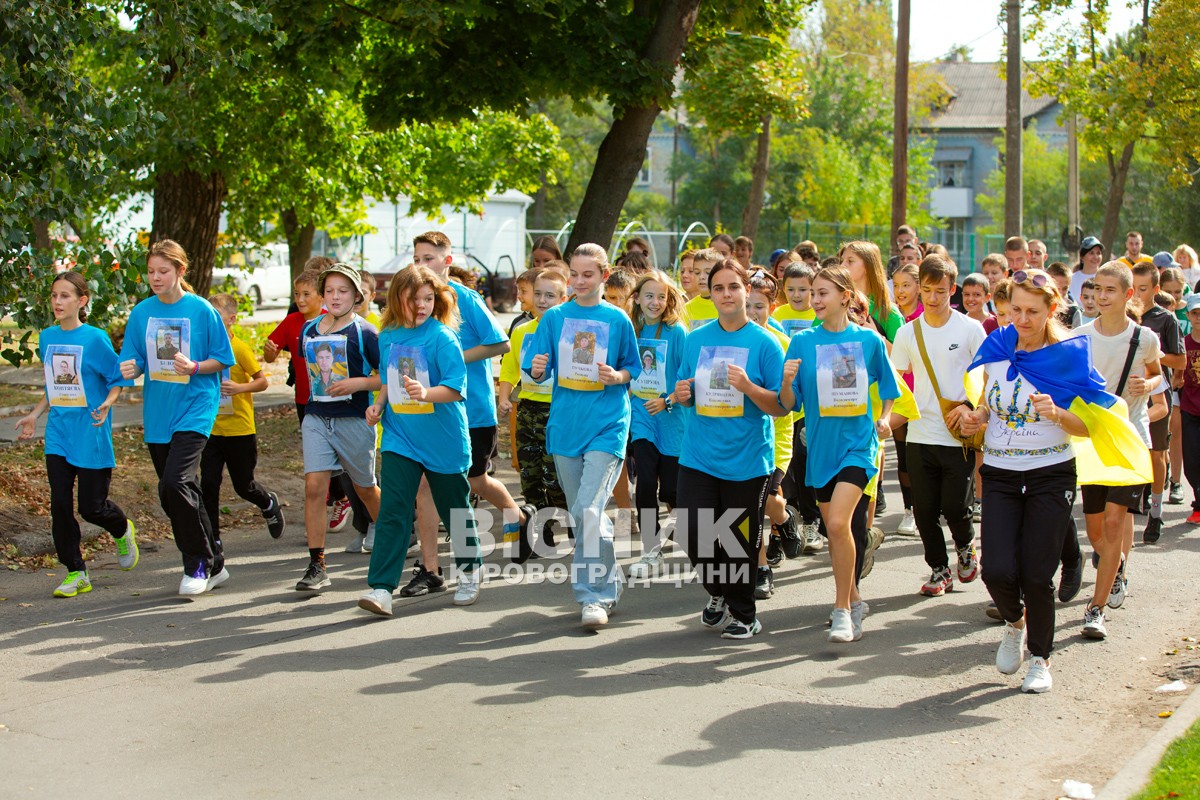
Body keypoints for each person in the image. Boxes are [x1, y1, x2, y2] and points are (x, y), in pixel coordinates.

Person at [957, 269, 1090, 693]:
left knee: (1036, 574)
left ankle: (1040, 659)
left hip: (1051, 471)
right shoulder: (996, 345)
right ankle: (1015, 624)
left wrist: (1058, 413)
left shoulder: (1068, 355)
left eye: (1033, 311)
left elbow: (1088, 426)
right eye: (1015, 309)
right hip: (999, 471)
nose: (1023, 319)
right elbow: (986, 402)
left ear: (1052, 309)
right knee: (995, 570)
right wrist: (976, 416)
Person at [407, 231, 534, 597]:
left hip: (471, 411)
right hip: (426, 408)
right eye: (417, 258)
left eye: (429, 258)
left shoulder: (465, 298)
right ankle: (430, 569)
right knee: (426, 486)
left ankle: (519, 517)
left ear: (447, 262)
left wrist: (450, 358)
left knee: (474, 483)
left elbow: (501, 342)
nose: (421, 265)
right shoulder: (411, 301)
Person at [779, 265, 900, 643]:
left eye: (822, 293)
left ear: (845, 297)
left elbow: (891, 390)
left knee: (836, 525)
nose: (814, 300)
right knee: (837, 533)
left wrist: (883, 418)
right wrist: (785, 379)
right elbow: (788, 404)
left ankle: (842, 610)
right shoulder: (801, 343)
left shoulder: (869, 341)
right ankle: (856, 599)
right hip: (819, 448)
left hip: (858, 446)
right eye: (812, 293)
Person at [524, 243, 642, 628]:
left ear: (604, 277)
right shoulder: (555, 317)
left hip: (607, 425)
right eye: (574, 274)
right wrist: (538, 368)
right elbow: (536, 369)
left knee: (589, 511)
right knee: (584, 514)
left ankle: (594, 597)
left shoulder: (618, 320)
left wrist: (617, 376)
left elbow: (632, 369)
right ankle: (611, 577)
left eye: (587, 274)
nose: (578, 281)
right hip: (566, 426)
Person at [357, 266, 483, 615]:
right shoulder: (388, 336)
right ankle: (381, 588)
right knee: (394, 510)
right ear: (398, 298)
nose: (423, 305)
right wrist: (379, 405)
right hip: (400, 437)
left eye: (429, 298)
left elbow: (457, 389)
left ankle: (470, 571)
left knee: (455, 511)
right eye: (415, 299)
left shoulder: (442, 337)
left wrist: (426, 393)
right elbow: (388, 378)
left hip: (443, 439)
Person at [672, 259, 783, 639]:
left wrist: (750, 388)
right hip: (699, 454)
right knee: (692, 533)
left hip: (747, 459)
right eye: (718, 288)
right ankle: (717, 590)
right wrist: (682, 395)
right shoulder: (696, 339)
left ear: (746, 290)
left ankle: (744, 614)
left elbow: (782, 406)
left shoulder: (764, 342)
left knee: (738, 541)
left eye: (732, 287)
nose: (725, 294)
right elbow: (684, 393)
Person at [118, 239, 235, 596]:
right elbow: (135, 358)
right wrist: (131, 366)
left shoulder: (201, 310)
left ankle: (196, 564)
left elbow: (222, 359)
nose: (155, 277)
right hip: (159, 412)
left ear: (180, 272)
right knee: (178, 491)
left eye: (162, 271)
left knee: (175, 482)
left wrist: (196, 366)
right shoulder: (142, 313)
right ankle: (215, 560)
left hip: (196, 406)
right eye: (151, 271)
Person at [15, 272, 137, 597]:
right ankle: (75, 571)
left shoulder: (95, 339)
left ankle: (122, 528)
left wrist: (108, 404)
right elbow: (53, 383)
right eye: (54, 295)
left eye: (65, 296)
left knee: (91, 508)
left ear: (82, 301)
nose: (57, 301)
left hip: (91, 430)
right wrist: (34, 414)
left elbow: (117, 378)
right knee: (59, 503)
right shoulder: (47, 337)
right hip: (59, 431)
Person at [1072, 261, 1161, 639]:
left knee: (1113, 521)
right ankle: (1118, 563)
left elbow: (1159, 374)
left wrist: (1150, 384)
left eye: (1110, 291)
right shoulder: (1078, 335)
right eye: (1097, 289)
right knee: (1094, 532)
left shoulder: (1144, 338)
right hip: (1092, 440)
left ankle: (1096, 608)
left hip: (1130, 438)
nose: (1101, 297)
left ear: (1128, 295)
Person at [890, 255, 986, 597]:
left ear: (953, 290)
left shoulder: (970, 329)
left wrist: (971, 406)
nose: (932, 298)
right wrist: (886, 419)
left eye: (940, 291)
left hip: (958, 434)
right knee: (925, 510)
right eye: (927, 290)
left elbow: (986, 374)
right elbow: (894, 381)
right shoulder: (907, 333)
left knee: (956, 507)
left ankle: (965, 546)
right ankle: (938, 569)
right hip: (920, 432)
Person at [294, 262, 383, 591]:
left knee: (364, 489)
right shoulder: (310, 329)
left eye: (342, 291)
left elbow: (386, 375)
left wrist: (358, 384)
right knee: (314, 487)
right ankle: (316, 564)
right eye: (329, 290)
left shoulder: (366, 332)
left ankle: (398, 534)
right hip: (316, 417)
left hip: (354, 420)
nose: (335, 296)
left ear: (356, 295)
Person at [199, 294, 286, 549]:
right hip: (211, 429)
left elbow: (263, 381)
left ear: (231, 319)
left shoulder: (239, 349)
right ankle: (213, 538)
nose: (211, 320)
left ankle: (268, 503)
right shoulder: (203, 349)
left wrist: (239, 388)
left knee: (243, 485)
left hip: (240, 430)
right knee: (209, 484)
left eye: (216, 314)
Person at [498, 267, 570, 562]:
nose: (542, 300)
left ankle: (569, 522)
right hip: (527, 409)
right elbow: (510, 368)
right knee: (529, 476)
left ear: (564, 298)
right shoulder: (522, 330)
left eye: (550, 295)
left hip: (558, 411)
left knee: (555, 477)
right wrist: (504, 396)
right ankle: (542, 533)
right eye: (538, 294)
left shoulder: (570, 332)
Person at [625, 270, 689, 578]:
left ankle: (694, 535)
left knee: (674, 491)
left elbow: (688, 375)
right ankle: (651, 551)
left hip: (674, 418)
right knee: (646, 481)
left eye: (661, 296)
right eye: (649, 295)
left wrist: (668, 400)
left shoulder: (677, 332)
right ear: (637, 297)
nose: (655, 302)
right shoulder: (630, 328)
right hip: (641, 417)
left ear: (669, 300)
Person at [745, 271, 800, 598]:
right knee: (753, 504)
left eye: (760, 307)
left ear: (772, 307)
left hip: (776, 436)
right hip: (744, 438)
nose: (753, 312)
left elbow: (791, 398)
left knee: (764, 500)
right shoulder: (733, 340)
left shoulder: (781, 344)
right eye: (748, 305)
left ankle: (783, 516)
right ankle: (760, 567)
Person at [1131, 262, 1185, 543]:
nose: (1137, 294)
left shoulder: (1166, 320)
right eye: (1134, 288)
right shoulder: (1124, 315)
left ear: (1156, 289)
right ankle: (1126, 504)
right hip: (1125, 392)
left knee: (1156, 454)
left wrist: (1151, 352)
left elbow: (1180, 361)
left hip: (1156, 391)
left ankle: (1156, 510)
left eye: (1143, 289)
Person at [1177, 294, 1200, 524]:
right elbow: (1176, 375)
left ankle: (1199, 506)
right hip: (1190, 408)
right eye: (1195, 313)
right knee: (1192, 460)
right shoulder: (1184, 343)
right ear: (1189, 316)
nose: (1199, 317)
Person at [771, 262, 817, 338]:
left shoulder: (821, 316)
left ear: (812, 289)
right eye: (791, 289)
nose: (796, 295)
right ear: (784, 289)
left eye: (802, 290)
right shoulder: (775, 315)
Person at [683, 248, 722, 330]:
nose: (701, 277)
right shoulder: (686, 309)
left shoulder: (727, 305)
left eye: (708, 272)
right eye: (697, 272)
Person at [1046, 262, 1083, 328]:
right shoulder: (1039, 306)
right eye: (1056, 288)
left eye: (1064, 289)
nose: (1060, 293)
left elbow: (1076, 336)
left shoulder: (1073, 311)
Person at [1070, 236, 1105, 303]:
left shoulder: (1106, 278)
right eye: (1091, 253)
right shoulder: (1072, 279)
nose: (1096, 257)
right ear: (1082, 257)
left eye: (1098, 253)